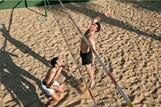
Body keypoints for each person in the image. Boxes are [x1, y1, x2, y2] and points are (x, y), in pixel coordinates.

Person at [80, 12, 111, 88]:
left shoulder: (91, 38)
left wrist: (93, 59)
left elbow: (94, 49)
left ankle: (92, 81)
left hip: (86, 54)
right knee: (89, 68)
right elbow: (95, 19)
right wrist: (104, 14)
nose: (92, 25)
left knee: (89, 69)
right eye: (93, 24)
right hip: (82, 52)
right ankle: (92, 77)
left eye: (94, 25)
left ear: (96, 29)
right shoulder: (89, 30)